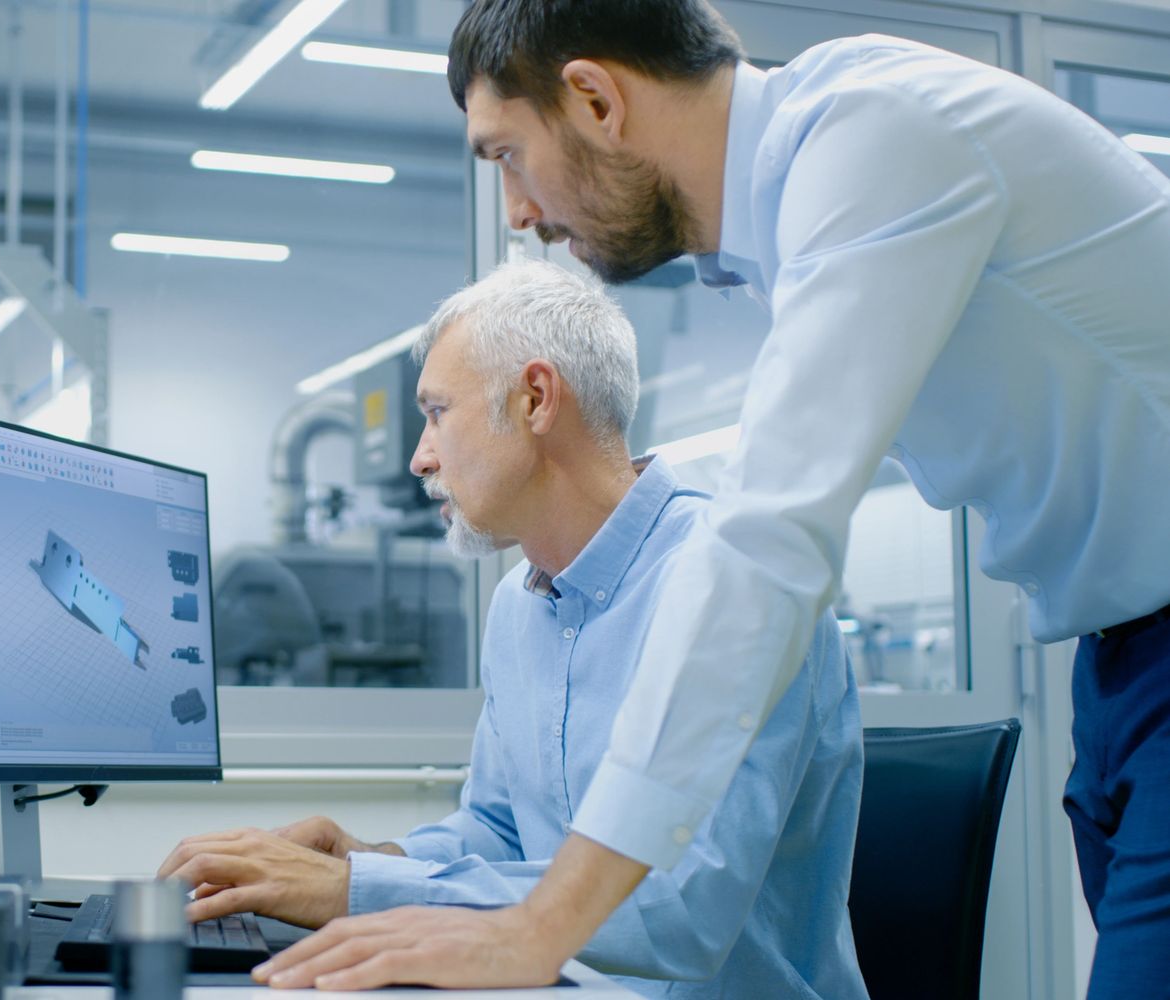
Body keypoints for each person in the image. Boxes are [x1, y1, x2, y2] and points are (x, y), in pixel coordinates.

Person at [254, 1, 1170, 995]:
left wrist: (538, 927)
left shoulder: (871, 138)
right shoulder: (784, 225)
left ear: (594, 100)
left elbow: (769, 545)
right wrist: (399, 878)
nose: (516, 211)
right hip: (1117, 659)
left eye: (507, 155)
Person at [158, 260, 869, 998]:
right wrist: (373, 858)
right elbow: (499, 832)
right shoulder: (518, 607)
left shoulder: (730, 582)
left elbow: (678, 909)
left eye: (437, 412)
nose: (420, 457)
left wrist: (358, 893)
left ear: (535, 399)